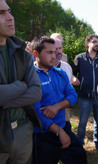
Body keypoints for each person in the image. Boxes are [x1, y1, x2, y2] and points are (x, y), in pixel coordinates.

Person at [31, 36, 87, 164]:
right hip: (42, 133)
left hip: (64, 126)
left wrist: (57, 106)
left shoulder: (60, 73)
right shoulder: (30, 76)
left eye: (55, 52)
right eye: (49, 52)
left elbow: (73, 96)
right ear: (36, 53)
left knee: (79, 156)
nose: (54, 56)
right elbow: (34, 110)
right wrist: (58, 131)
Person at [0, 0, 42, 163]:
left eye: (9, 11)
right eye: (1, 13)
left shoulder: (23, 54)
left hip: (23, 131)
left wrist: (5, 99)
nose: (10, 17)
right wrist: (21, 86)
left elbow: (36, 92)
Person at [72, 34, 98, 149]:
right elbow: (71, 72)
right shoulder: (80, 58)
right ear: (87, 43)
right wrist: (73, 78)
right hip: (85, 96)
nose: (97, 44)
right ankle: (80, 143)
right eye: (94, 41)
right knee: (83, 122)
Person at [54, 38, 79, 121]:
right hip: (47, 112)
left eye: (60, 48)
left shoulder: (67, 67)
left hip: (64, 112)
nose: (58, 51)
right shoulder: (38, 68)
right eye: (55, 48)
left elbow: (70, 92)